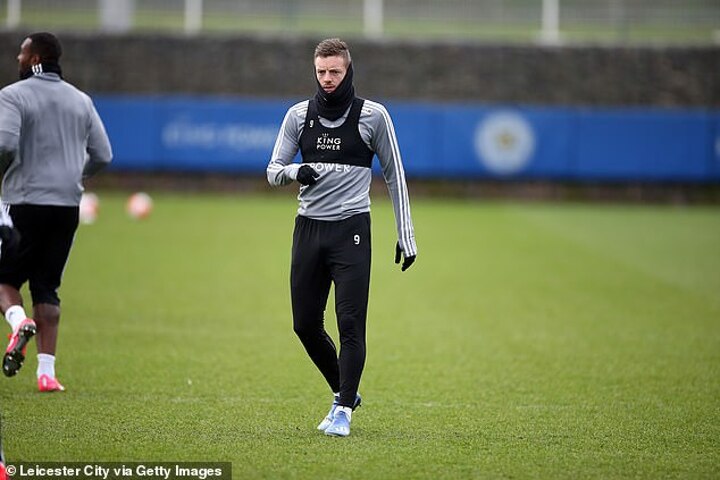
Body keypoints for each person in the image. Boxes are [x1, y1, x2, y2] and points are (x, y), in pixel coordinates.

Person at [267, 38, 417, 437]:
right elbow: (273, 169)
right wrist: (295, 172)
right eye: (321, 71)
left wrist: (406, 234)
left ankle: (343, 410)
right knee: (304, 324)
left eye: (335, 71)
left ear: (348, 70)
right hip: (308, 229)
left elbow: (395, 175)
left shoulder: (373, 116)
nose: (327, 78)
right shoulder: (298, 116)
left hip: (351, 230)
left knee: (350, 323)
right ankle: (343, 391)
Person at [0, 32, 113, 392]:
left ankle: (18, 322)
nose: (18, 58)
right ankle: (46, 373)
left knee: (5, 280)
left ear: (34, 58)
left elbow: (4, 144)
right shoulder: (81, 100)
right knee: (47, 286)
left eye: (22, 53)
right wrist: (72, 176)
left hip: (24, 200)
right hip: (66, 205)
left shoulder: (13, 95)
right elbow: (103, 155)